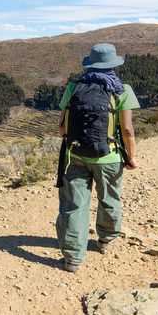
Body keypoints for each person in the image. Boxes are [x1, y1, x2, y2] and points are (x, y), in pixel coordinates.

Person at [55, 43, 140, 272]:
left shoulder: (73, 88)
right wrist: (131, 157)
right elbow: (128, 129)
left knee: (74, 206)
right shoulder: (122, 89)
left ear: (89, 63)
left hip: (75, 156)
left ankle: (72, 258)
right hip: (109, 157)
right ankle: (105, 241)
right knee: (110, 199)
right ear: (113, 64)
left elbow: (61, 126)